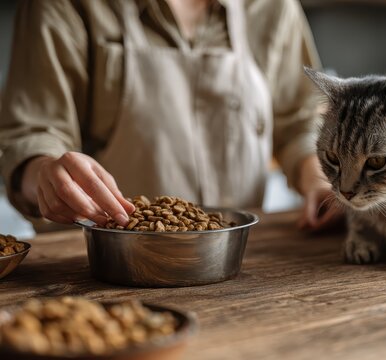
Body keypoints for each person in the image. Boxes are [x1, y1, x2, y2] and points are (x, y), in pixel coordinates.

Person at [0, 0, 340, 231]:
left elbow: (298, 120)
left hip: (243, 257)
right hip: (99, 263)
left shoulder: (272, 7)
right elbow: (32, 136)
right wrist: (45, 174)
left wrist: (320, 182)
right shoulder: (65, 6)